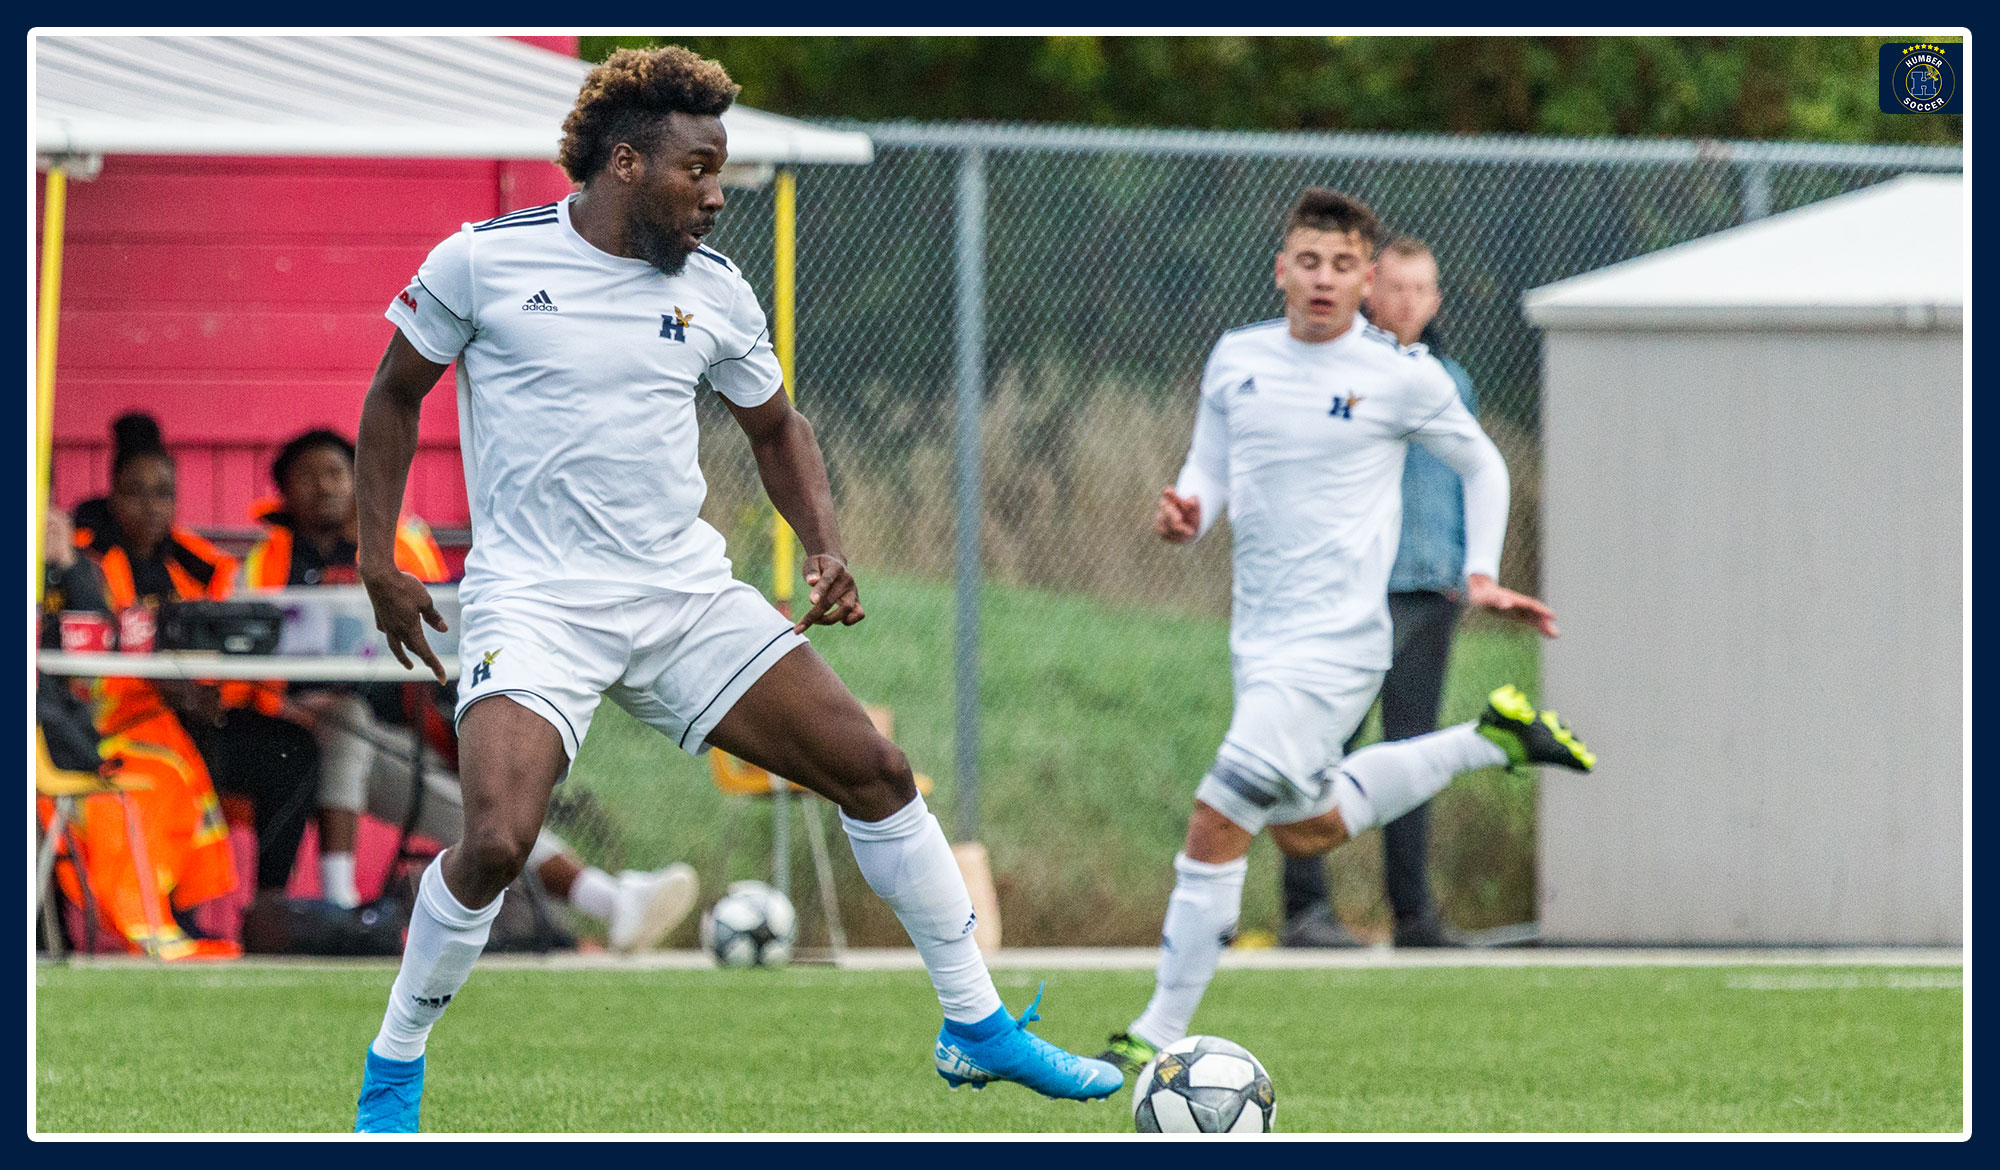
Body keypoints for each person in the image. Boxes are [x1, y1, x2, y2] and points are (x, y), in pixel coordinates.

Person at [351, 46, 1120, 1131]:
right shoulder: (481, 262)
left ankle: (976, 1026)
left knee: (876, 769)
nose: (715, 195)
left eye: (720, 173)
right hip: (537, 603)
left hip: (681, 597)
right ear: (624, 163)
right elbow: (392, 397)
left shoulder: (712, 289)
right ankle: (394, 1065)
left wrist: (824, 541)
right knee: (494, 841)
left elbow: (775, 425)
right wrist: (376, 559)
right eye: (696, 171)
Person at [1096, 189, 1596, 1077]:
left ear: (1368, 280)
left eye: (1342, 265)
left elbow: (1483, 463)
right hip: (1260, 641)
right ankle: (1491, 739)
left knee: (1220, 812)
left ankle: (1160, 1030)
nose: (1323, 279)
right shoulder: (1237, 357)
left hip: (1339, 644)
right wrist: (1189, 513)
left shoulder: (1399, 374)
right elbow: (1209, 469)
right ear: (1281, 268)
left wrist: (1480, 571)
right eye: (1308, 261)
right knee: (1307, 827)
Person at [243, 427, 699, 950]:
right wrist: (290, 706)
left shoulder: (398, 543)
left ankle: (609, 901)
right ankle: (342, 906)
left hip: (398, 734)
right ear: (283, 488)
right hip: (292, 738)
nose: (325, 486)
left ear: (359, 481)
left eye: (337, 473)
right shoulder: (264, 561)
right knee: (346, 722)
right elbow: (240, 660)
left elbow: (446, 640)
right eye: (309, 476)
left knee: (444, 787)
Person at [1279, 236, 1481, 950]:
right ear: (1370, 291)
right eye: (1395, 287)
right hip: (1357, 595)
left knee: (1414, 753)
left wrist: (1467, 570)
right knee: (1323, 746)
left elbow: (1471, 480)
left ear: (1435, 301)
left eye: (1421, 290)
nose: (1407, 302)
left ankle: (1414, 916)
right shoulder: (1342, 375)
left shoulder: (1451, 379)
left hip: (1433, 592)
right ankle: (1305, 910)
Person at [74, 413, 322, 920]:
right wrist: (168, 692)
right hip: (117, 727)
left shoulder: (200, 563)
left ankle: (268, 911)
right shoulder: (85, 562)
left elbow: (230, 644)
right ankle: (173, 911)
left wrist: (214, 692)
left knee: (295, 752)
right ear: (112, 496)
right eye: (134, 493)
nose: (149, 507)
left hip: (198, 718)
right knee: (187, 756)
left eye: (162, 493)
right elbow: (88, 655)